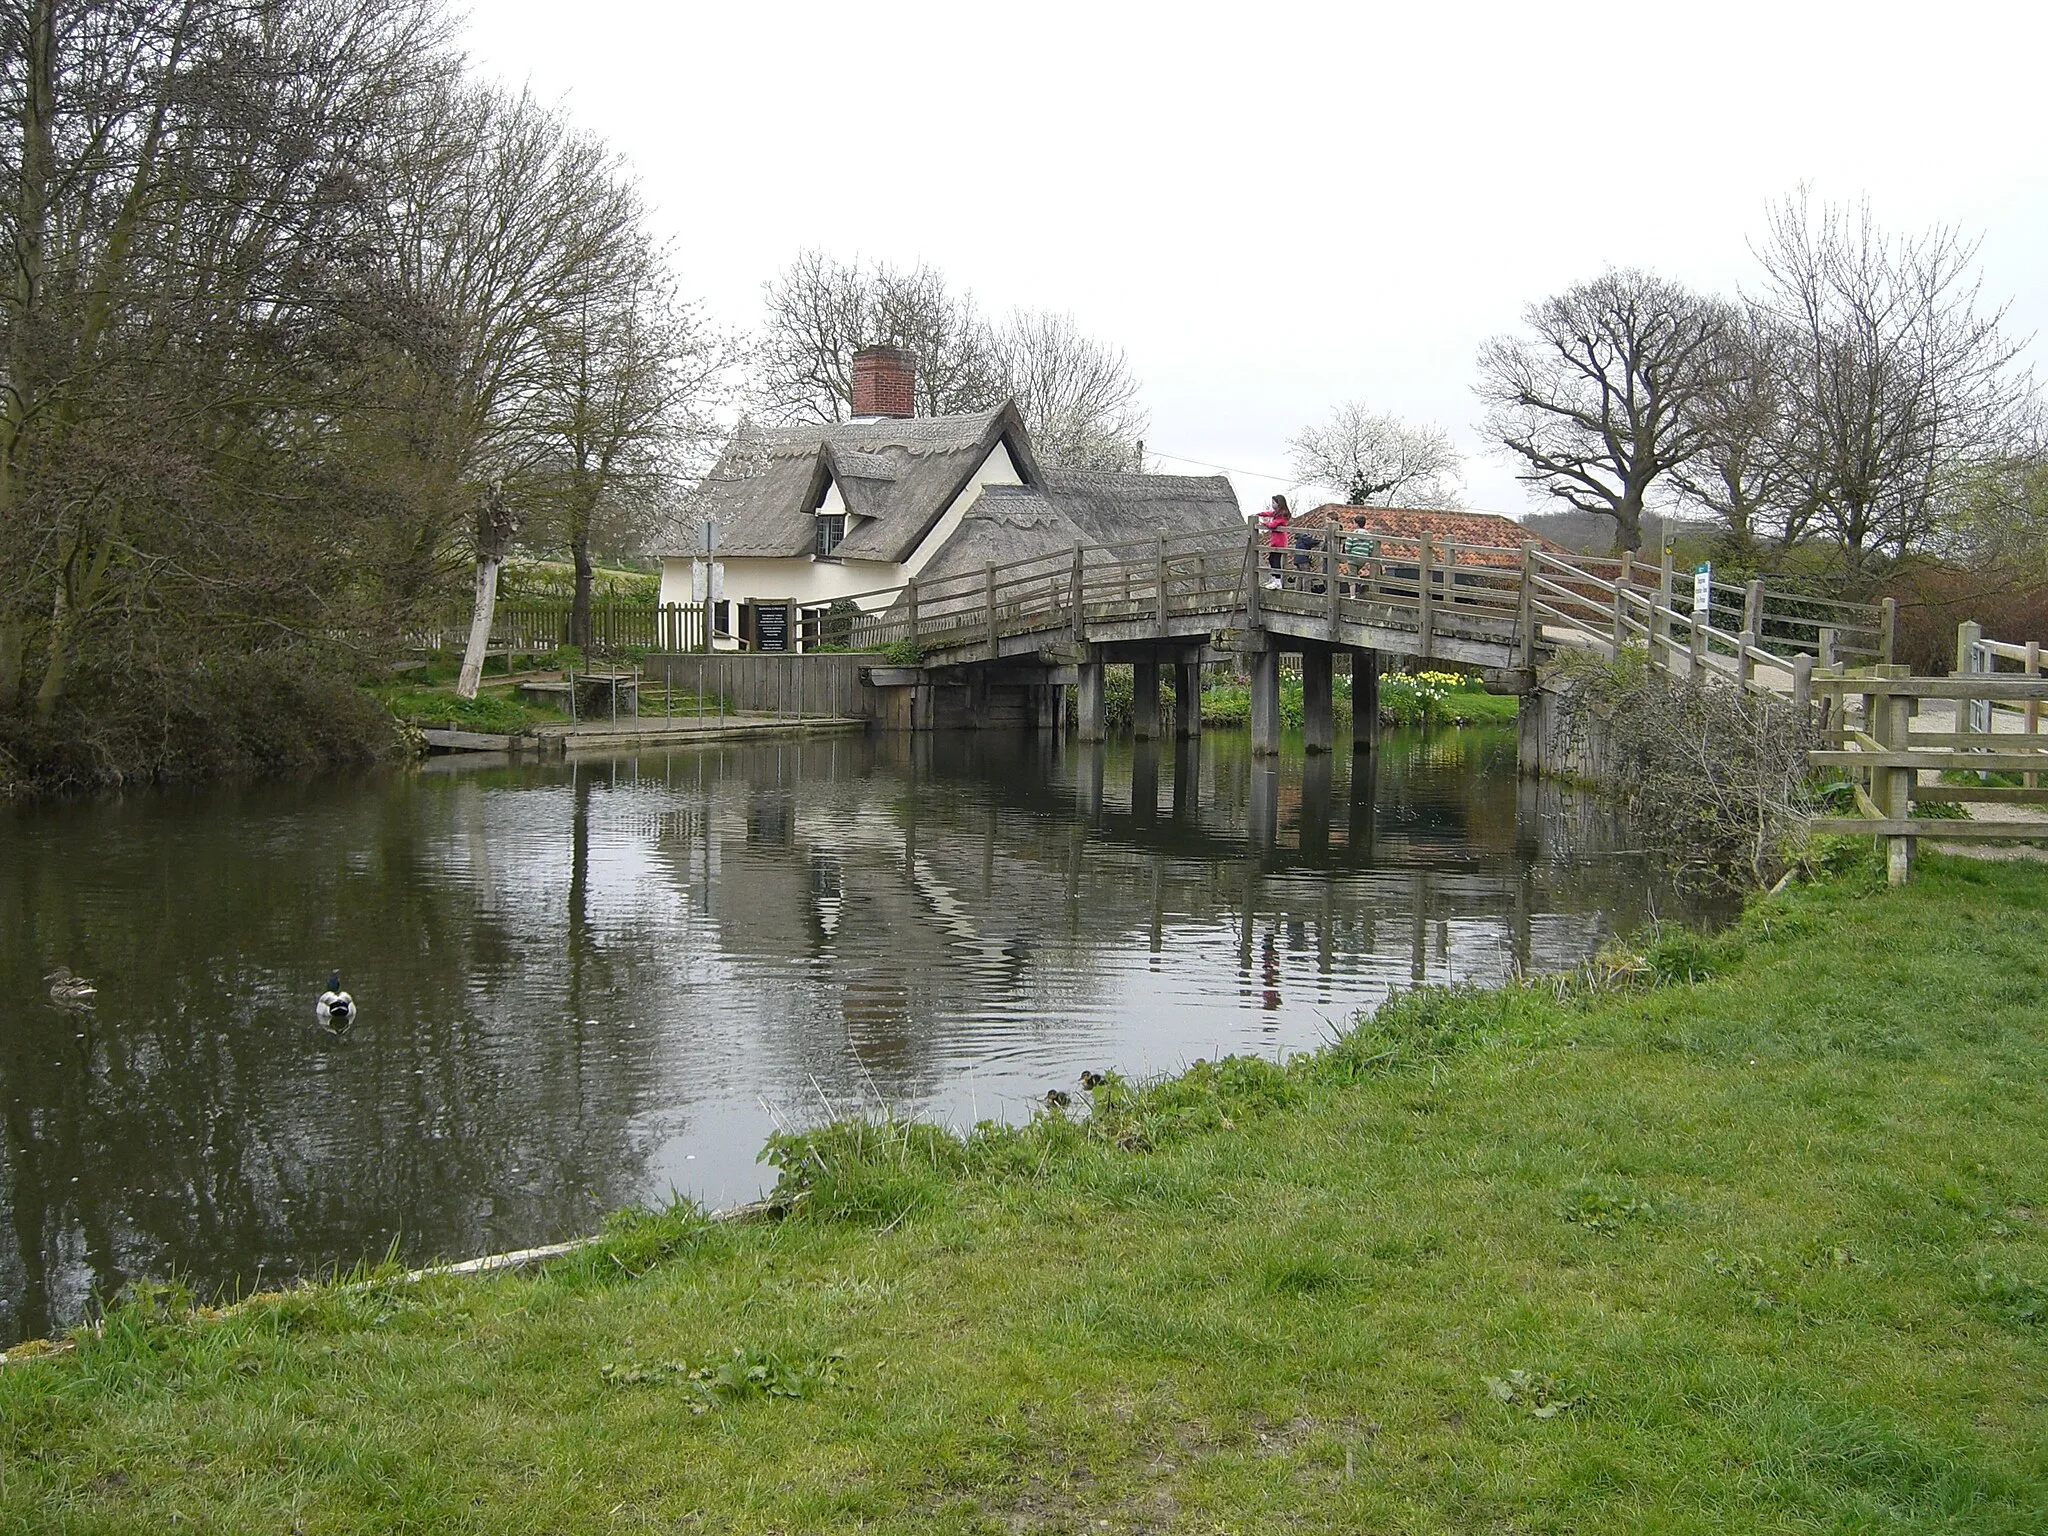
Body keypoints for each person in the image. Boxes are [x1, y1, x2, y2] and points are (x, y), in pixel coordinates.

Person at [1258, 495, 1290, 587]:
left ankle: (1277, 581)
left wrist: (1264, 523)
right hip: (1275, 540)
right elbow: (1269, 513)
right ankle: (1273, 578)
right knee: (1271, 559)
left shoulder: (1282, 515)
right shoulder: (1277, 513)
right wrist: (1260, 514)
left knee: (1275, 560)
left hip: (1279, 541)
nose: (1272, 505)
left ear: (1279, 503)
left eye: (1273, 503)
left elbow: (1273, 525)